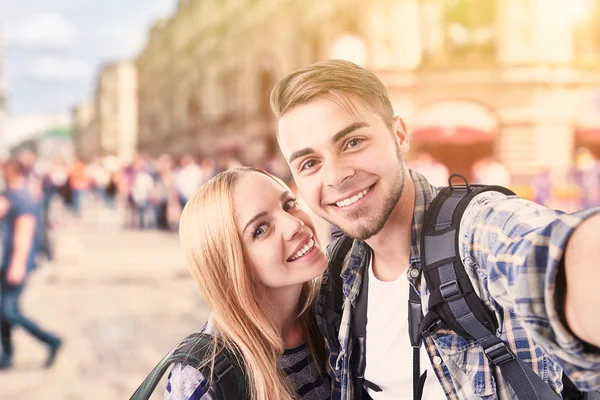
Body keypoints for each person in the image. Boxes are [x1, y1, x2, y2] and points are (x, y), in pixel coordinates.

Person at [270, 60, 600, 399]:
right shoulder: (337, 277)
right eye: (309, 163)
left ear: (399, 135)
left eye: (352, 142)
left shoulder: (478, 233)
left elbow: (546, 254)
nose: (336, 176)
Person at [167, 167, 331, 400]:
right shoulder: (203, 378)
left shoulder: (339, 310)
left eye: (288, 204)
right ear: (229, 265)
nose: (294, 225)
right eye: (261, 229)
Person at [0, 159, 62, 369]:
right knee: (4, 311)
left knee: (8, 311)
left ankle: (52, 341)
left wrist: (17, 264)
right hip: (7, 261)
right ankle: (6, 355)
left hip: (16, 263)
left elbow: (24, 232)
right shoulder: (10, 195)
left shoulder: (22, 197)